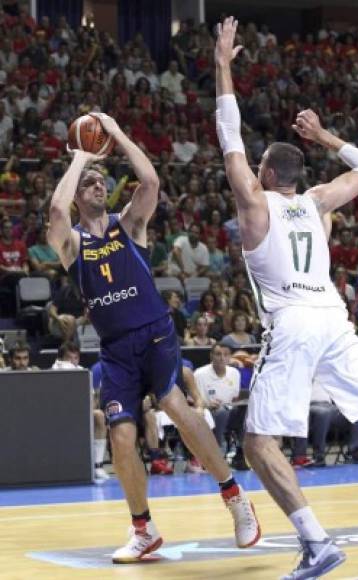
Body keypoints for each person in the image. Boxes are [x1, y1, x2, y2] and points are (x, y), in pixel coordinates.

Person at [215, 17, 358, 580]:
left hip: (291, 320)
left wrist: (222, 65)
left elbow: (230, 138)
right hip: (334, 318)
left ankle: (316, 543)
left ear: (266, 172)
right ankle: (314, 543)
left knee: (258, 443)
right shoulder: (318, 203)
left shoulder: (256, 204)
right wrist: (328, 138)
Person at [48, 111, 259, 563]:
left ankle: (235, 497)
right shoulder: (72, 244)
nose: (99, 186)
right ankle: (143, 529)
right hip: (116, 350)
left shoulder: (130, 225)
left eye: (102, 181)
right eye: (90, 184)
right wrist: (79, 158)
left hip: (155, 334)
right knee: (123, 438)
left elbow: (150, 181)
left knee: (175, 406)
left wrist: (117, 134)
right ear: (78, 196)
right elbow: (54, 211)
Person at [52, 342, 110, 481]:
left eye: (75, 358)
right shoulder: (54, 371)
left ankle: (98, 466)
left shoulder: (83, 372)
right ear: (60, 359)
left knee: (99, 416)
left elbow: (93, 401)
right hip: (57, 415)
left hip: (80, 413)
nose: (72, 362)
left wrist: (92, 401)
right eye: (69, 358)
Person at [291, 379, 358, 468]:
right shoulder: (300, 372)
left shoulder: (326, 372)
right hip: (308, 406)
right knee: (323, 413)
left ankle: (353, 452)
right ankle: (318, 456)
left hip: (329, 406)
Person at [194, 343, 241, 453]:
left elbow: (235, 398)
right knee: (221, 412)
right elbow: (191, 401)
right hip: (208, 411)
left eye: (226, 354)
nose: (222, 358)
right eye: (218, 354)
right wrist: (207, 404)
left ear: (230, 357)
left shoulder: (235, 373)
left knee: (246, 411)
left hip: (230, 409)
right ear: (211, 356)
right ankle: (218, 447)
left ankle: (241, 449)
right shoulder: (199, 374)